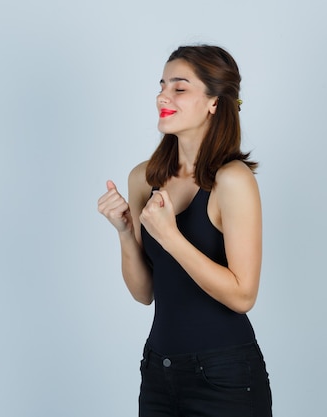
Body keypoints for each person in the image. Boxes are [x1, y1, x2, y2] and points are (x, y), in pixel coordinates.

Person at [97, 45, 273, 417]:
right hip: (158, 374)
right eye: (162, 85)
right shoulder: (145, 178)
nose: (163, 95)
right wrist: (126, 232)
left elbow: (243, 296)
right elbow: (145, 293)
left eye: (180, 88)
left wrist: (171, 237)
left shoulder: (233, 181)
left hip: (224, 379)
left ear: (214, 102)